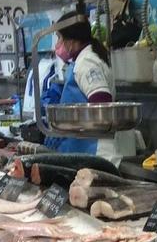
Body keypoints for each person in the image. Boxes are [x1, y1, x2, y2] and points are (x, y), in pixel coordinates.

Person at [42, 11, 135, 163]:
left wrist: (69, 126)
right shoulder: (83, 59)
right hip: (84, 150)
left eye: (59, 37)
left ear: (72, 39)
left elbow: (102, 101)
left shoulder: (87, 62)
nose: (57, 44)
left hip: (96, 152)